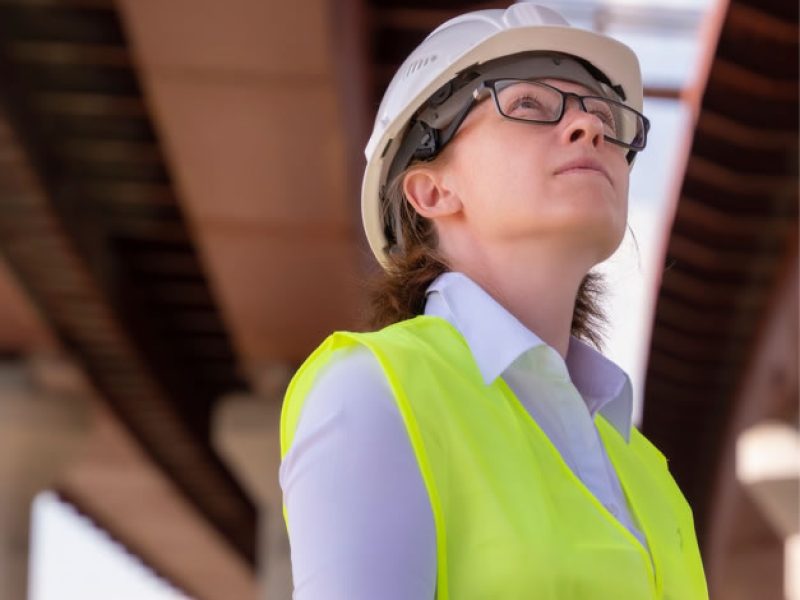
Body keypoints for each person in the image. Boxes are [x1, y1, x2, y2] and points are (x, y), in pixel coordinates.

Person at [278, 3, 709, 598]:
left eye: (608, 118)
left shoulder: (649, 472)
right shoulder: (374, 390)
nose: (590, 128)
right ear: (431, 190)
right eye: (530, 104)